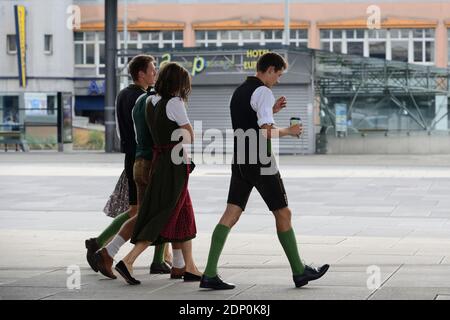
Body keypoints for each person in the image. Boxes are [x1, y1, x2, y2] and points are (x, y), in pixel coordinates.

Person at [199, 52, 329, 290]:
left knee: (231, 213)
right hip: (261, 160)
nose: (277, 80)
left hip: (240, 159)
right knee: (283, 212)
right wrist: (289, 131)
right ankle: (299, 271)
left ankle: (209, 273)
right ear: (269, 69)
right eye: (277, 75)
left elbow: (251, 120)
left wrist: (272, 111)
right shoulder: (263, 92)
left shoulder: (240, 91)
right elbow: (265, 132)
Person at [95, 59, 185, 280]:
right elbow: (168, 135)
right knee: (158, 213)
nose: (154, 75)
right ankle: (119, 254)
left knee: (144, 213)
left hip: (137, 160)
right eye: (152, 71)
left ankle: (177, 262)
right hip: (154, 163)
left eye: (157, 72)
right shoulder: (158, 102)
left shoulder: (138, 100)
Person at [114, 62, 202, 285]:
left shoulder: (150, 102)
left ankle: (186, 267)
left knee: (184, 213)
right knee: (164, 213)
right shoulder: (175, 102)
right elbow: (188, 135)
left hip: (159, 161)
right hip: (175, 164)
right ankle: (128, 260)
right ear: (178, 83)